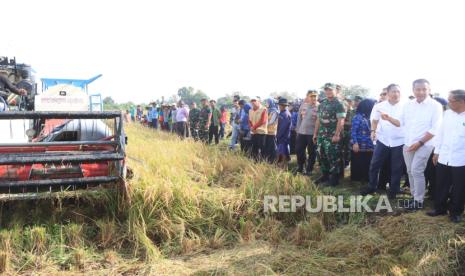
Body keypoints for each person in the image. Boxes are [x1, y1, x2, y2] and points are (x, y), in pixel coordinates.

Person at [384, 79, 443, 209]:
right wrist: (388, 118)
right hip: (408, 144)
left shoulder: (435, 106)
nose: (421, 92)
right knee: (410, 171)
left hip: (425, 144)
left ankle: (419, 201)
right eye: (418, 89)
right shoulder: (408, 105)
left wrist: (420, 143)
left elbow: (435, 129)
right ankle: (414, 196)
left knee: (417, 170)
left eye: (424, 89)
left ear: (429, 90)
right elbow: (401, 122)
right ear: (413, 90)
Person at [361, 84, 405, 198]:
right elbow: (374, 120)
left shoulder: (406, 106)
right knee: (374, 164)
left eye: (398, 92)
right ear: (388, 93)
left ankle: (394, 190)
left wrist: (388, 118)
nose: (396, 94)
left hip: (399, 141)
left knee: (397, 167)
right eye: (393, 91)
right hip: (383, 140)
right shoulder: (379, 106)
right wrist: (373, 131)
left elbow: (401, 124)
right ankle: (372, 186)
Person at [428, 90, 465, 223]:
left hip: (461, 159)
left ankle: (455, 212)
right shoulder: (447, 114)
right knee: (441, 184)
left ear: (461, 102)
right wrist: (436, 152)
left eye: (450, 101)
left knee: (459, 187)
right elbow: (441, 133)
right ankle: (440, 208)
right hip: (444, 156)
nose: (448, 103)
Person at [313, 83, 346, 186]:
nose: (328, 92)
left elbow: (341, 120)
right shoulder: (322, 103)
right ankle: (325, 175)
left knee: (333, 156)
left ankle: (334, 179)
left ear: (335, 91)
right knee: (321, 155)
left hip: (332, 135)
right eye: (326, 90)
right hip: (322, 135)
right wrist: (315, 133)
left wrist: (336, 135)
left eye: (330, 90)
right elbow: (318, 119)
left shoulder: (339, 104)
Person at [350, 99, 376, 182]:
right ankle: (357, 179)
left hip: (370, 145)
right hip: (359, 145)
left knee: (368, 163)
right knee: (359, 162)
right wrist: (355, 143)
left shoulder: (372, 116)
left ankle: (367, 178)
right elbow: (353, 131)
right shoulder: (358, 117)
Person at [295, 90, 319, 175]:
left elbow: (319, 122)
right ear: (308, 97)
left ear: (317, 97)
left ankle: (309, 169)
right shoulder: (303, 106)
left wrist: (316, 134)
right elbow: (299, 119)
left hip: (312, 133)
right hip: (302, 132)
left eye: (314, 96)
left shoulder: (319, 107)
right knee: (299, 150)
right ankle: (301, 167)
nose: (313, 98)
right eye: (311, 96)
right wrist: (297, 130)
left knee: (312, 152)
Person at [276, 98, 292, 169]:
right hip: (281, 135)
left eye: (281, 105)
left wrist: (277, 135)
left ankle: (283, 165)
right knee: (282, 149)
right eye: (279, 105)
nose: (279, 106)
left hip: (283, 136)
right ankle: (283, 164)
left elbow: (283, 127)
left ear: (284, 106)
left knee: (283, 150)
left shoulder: (285, 114)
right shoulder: (282, 113)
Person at [264, 98, 278, 163]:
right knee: (267, 146)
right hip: (266, 131)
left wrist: (264, 124)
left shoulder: (274, 111)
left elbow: (271, 121)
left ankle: (273, 160)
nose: (266, 103)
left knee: (272, 147)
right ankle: (268, 159)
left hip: (272, 132)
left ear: (271, 103)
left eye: (267, 102)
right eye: (266, 102)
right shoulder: (267, 110)